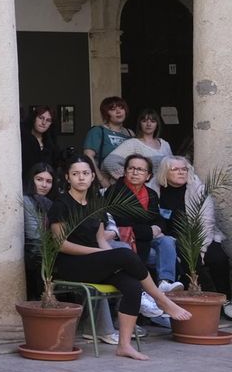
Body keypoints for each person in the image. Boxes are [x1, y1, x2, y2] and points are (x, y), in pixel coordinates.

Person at [49, 157, 190, 360]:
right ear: (67, 178)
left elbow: (100, 240)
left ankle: (124, 345)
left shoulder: (95, 202)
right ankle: (161, 299)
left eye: (85, 173)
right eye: (75, 174)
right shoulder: (61, 204)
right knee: (124, 253)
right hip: (70, 264)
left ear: (91, 177)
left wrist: (108, 256)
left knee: (132, 285)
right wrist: (104, 255)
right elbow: (61, 244)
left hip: (95, 262)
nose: (81, 178)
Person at [157, 156, 228, 309]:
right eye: (175, 169)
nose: (181, 172)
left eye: (184, 169)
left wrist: (200, 250)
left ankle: (227, 298)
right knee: (191, 262)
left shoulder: (198, 189)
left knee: (218, 258)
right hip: (172, 239)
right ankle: (207, 305)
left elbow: (206, 222)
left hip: (202, 237)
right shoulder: (155, 190)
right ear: (165, 172)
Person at [104, 154, 177, 289]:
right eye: (131, 168)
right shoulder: (114, 192)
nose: (135, 172)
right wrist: (150, 230)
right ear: (125, 172)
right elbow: (122, 222)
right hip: (126, 241)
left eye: (140, 170)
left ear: (148, 176)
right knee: (155, 255)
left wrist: (158, 228)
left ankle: (165, 282)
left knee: (168, 241)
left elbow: (158, 218)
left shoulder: (151, 194)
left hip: (147, 239)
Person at [102, 108, 172, 188]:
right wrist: (132, 179)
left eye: (153, 121)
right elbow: (109, 162)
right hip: (141, 192)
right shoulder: (133, 143)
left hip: (163, 190)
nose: (148, 124)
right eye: (144, 121)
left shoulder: (165, 144)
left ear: (157, 124)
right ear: (140, 124)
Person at [22, 163, 56, 302]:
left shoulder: (49, 202)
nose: (44, 185)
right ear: (31, 180)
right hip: (33, 253)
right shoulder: (25, 200)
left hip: (45, 250)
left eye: (49, 181)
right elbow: (34, 234)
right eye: (39, 179)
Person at [83, 96, 132, 188]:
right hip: (106, 182)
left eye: (121, 108)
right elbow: (88, 156)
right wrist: (101, 179)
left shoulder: (130, 133)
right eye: (113, 109)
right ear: (106, 113)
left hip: (127, 182)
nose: (118, 111)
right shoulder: (98, 131)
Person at [21, 106, 61, 175]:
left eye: (48, 120)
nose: (44, 122)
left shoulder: (51, 143)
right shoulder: (23, 137)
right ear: (34, 118)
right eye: (41, 118)